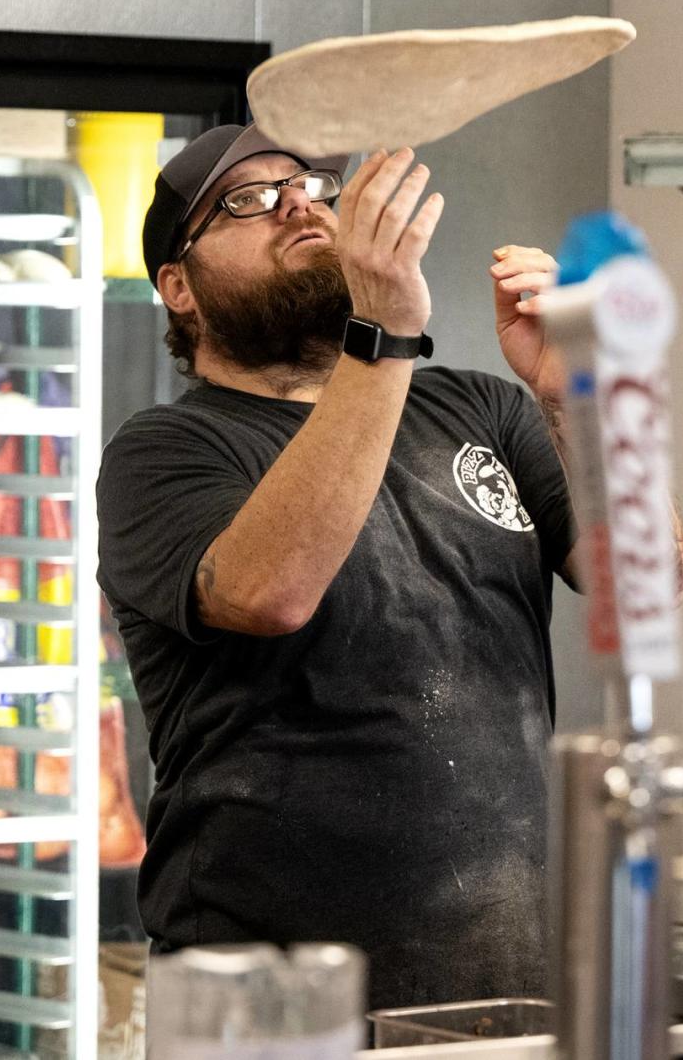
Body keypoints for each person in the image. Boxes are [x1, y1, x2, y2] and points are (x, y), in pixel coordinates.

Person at [96, 121, 586, 1011]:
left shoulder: (482, 406)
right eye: (247, 200)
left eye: (311, 189)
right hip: (268, 1003)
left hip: (501, 990)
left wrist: (579, 395)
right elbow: (270, 592)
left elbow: (647, 583)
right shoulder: (166, 451)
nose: (297, 204)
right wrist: (386, 335)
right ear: (178, 287)